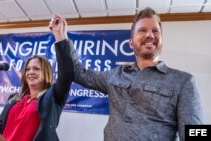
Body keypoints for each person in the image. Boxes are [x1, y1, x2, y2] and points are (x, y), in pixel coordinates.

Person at [49, 7, 203, 141]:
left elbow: (195, 132)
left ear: (161, 40)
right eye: (142, 30)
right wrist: (61, 36)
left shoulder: (183, 81)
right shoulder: (114, 75)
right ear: (131, 42)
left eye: (155, 31)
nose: (150, 34)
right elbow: (77, 72)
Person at [0, 35, 74, 140]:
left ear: (46, 73)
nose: (31, 72)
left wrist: (59, 35)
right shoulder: (14, 98)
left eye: (36, 69)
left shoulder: (54, 97)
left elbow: (66, 73)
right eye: (28, 69)